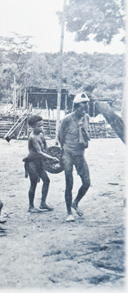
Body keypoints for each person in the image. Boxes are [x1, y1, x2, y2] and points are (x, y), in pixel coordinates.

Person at [58, 93, 91, 222]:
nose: (84, 110)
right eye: (82, 108)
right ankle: (68, 212)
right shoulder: (67, 119)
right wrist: (64, 152)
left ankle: (75, 202)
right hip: (68, 154)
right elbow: (60, 137)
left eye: (86, 108)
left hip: (80, 154)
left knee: (87, 182)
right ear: (76, 107)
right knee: (69, 182)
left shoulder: (86, 118)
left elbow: (87, 134)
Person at [23, 115, 59, 213]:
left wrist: (53, 152)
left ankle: (43, 203)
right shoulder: (33, 137)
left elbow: (45, 148)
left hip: (40, 162)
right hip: (32, 162)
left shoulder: (41, 134)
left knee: (46, 180)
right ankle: (31, 206)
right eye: (38, 126)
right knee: (33, 184)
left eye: (42, 125)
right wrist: (52, 158)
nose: (41, 128)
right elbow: (39, 152)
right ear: (32, 126)